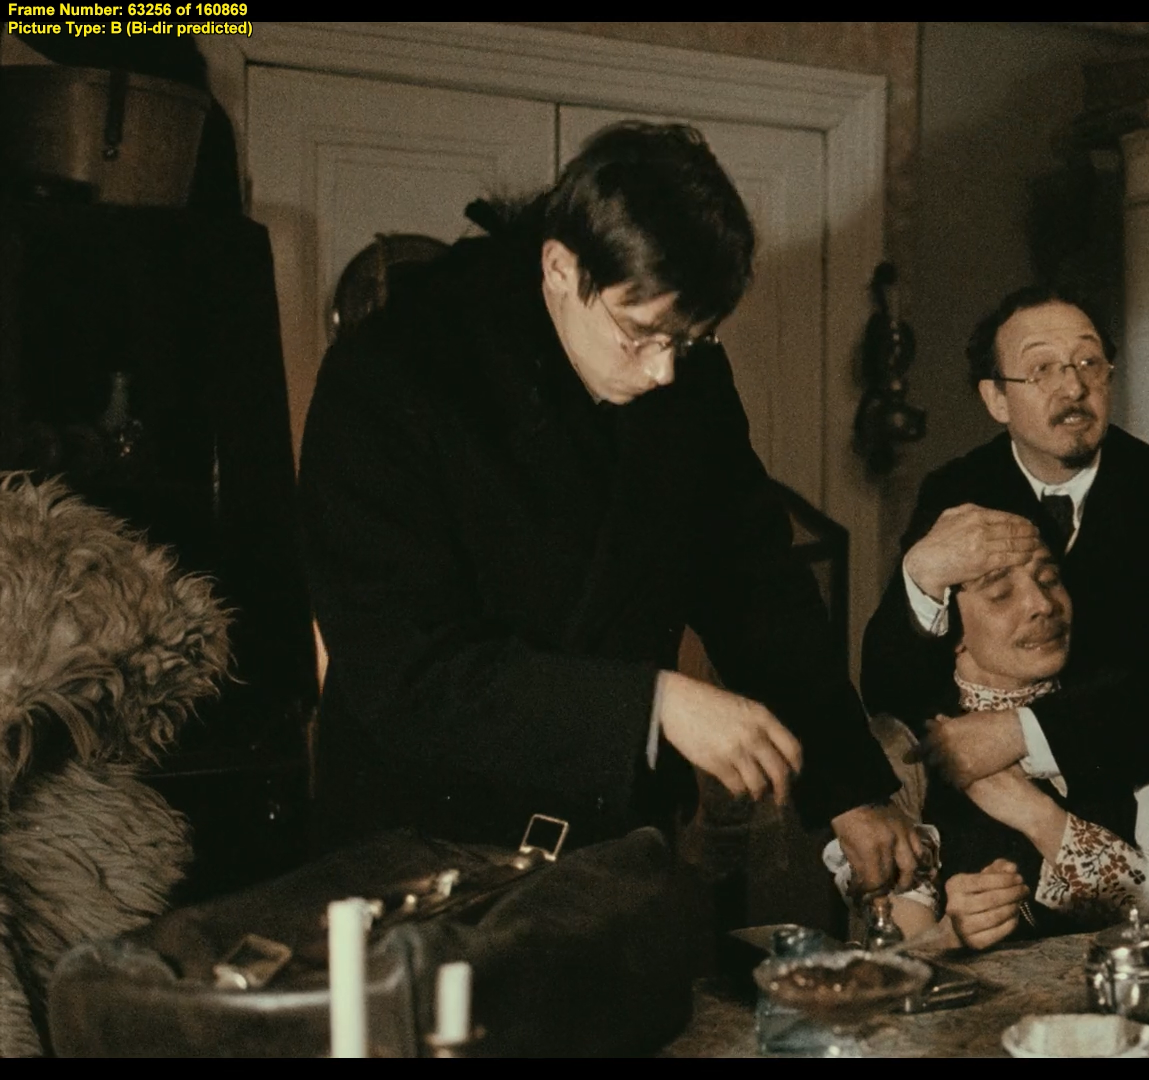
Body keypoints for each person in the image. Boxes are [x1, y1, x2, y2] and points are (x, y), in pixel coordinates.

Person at [299, 122, 919, 895]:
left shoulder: (685, 372)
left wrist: (850, 788)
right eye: (641, 334)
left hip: (611, 847)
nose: (664, 373)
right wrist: (650, 707)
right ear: (560, 267)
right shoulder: (389, 376)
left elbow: (755, 585)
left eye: (689, 341)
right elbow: (405, 670)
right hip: (416, 855)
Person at [860, 286, 1149, 925]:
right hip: (986, 851)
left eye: (1088, 363)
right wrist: (921, 573)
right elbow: (892, 686)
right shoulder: (955, 491)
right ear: (996, 398)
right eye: (1042, 368)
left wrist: (1018, 734)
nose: (1073, 387)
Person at [828, 543, 1149, 950]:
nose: (1043, 605)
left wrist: (1040, 818)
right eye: (1001, 594)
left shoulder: (1141, 723)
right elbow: (898, 955)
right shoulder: (901, 747)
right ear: (951, 632)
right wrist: (950, 935)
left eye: (1050, 579)